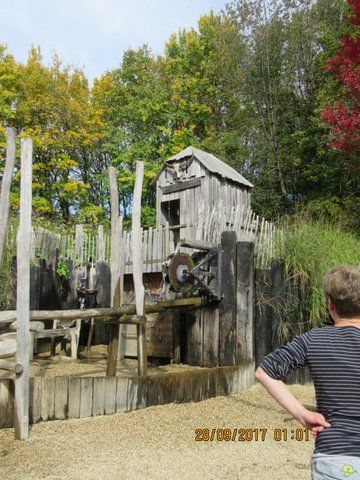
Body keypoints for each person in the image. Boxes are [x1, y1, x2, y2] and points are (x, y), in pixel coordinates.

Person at [255, 264, 360, 479]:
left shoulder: (314, 340)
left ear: (330, 304)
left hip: (335, 457)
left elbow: (264, 372)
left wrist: (302, 413)